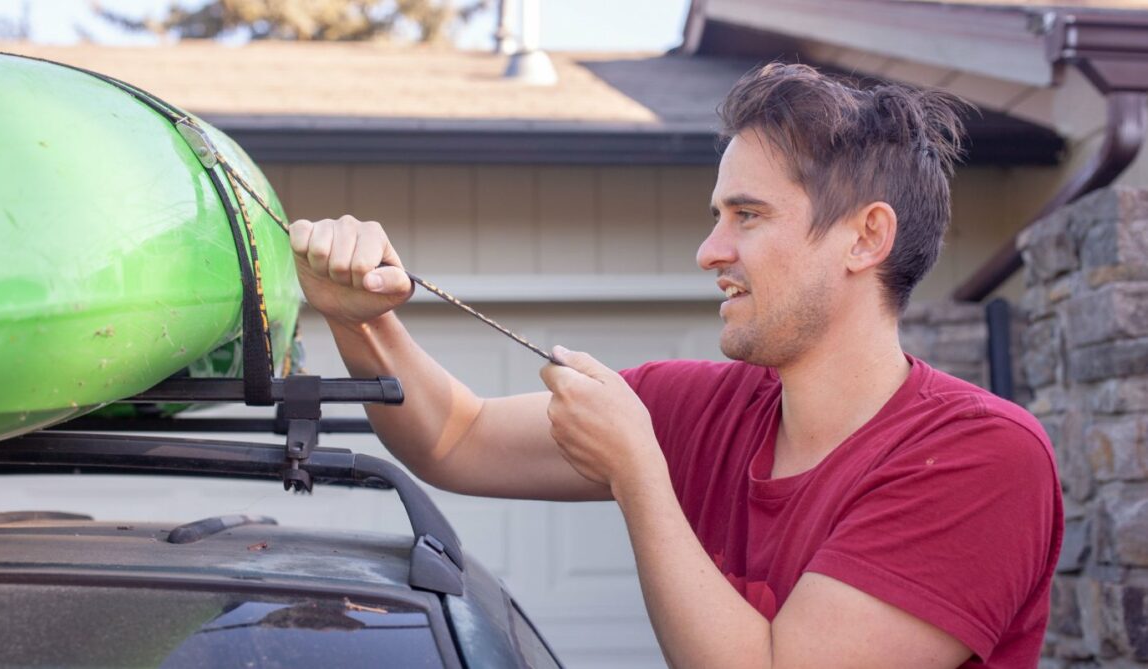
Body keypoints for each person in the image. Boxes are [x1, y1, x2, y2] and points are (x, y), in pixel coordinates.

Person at [289, 63, 1062, 668]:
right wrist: (363, 318)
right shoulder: (698, 409)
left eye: (747, 216)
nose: (709, 251)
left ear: (866, 238)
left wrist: (638, 472)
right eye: (715, 216)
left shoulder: (980, 457)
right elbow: (456, 437)